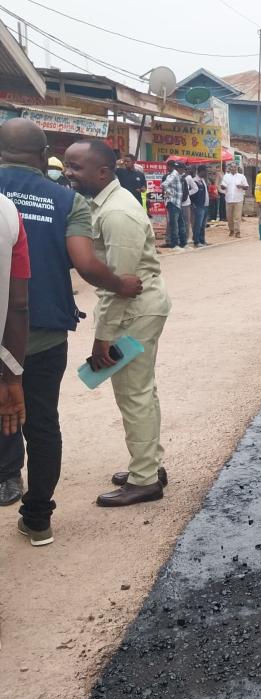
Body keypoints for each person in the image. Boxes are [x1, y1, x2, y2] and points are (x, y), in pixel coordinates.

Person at [0, 118, 143, 542]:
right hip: (42, 331)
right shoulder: (66, 200)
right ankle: (39, 517)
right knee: (42, 421)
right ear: (46, 156)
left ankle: (8, 477)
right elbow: (84, 263)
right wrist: (120, 284)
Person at [64, 140, 171, 508]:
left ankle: (144, 480)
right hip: (138, 307)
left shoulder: (116, 214)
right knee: (142, 390)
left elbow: (119, 286)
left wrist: (102, 340)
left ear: (103, 173)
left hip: (135, 311)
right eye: (68, 165)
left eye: (76, 167)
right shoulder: (106, 205)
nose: (68, 172)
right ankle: (148, 466)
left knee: (134, 394)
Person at [0, 192, 30, 503]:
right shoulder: (7, 211)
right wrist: (11, 377)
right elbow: (18, 303)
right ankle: (7, 473)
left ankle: (8, 472)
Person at [162, 161, 187, 250]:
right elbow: (164, 184)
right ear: (180, 169)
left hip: (177, 204)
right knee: (175, 225)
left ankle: (183, 244)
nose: (184, 171)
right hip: (173, 203)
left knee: (181, 224)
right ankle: (174, 245)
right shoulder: (174, 175)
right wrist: (170, 193)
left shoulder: (178, 176)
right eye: (183, 169)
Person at [220, 162, 247, 238]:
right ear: (229, 168)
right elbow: (223, 186)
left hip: (238, 199)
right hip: (228, 199)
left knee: (237, 217)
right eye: (232, 167)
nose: (233, 168)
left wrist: (241, 186)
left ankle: (237, 232)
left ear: (237, 168)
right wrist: (222, 187)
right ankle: (231, 230)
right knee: (229, 217)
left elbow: (246, 187)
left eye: (235, 167)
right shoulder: (226, 176)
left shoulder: (241, 176)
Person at [190, 165, 209, 247]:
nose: (206, 173)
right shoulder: (194, 181)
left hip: (205, 205)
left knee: (203, 225)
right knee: (198, 224)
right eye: (205, 171)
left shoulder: (203, 180)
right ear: (200, 171)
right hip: (198, 206)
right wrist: (193, 204)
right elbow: (192, 194)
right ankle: (196, 241)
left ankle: (202, 240)